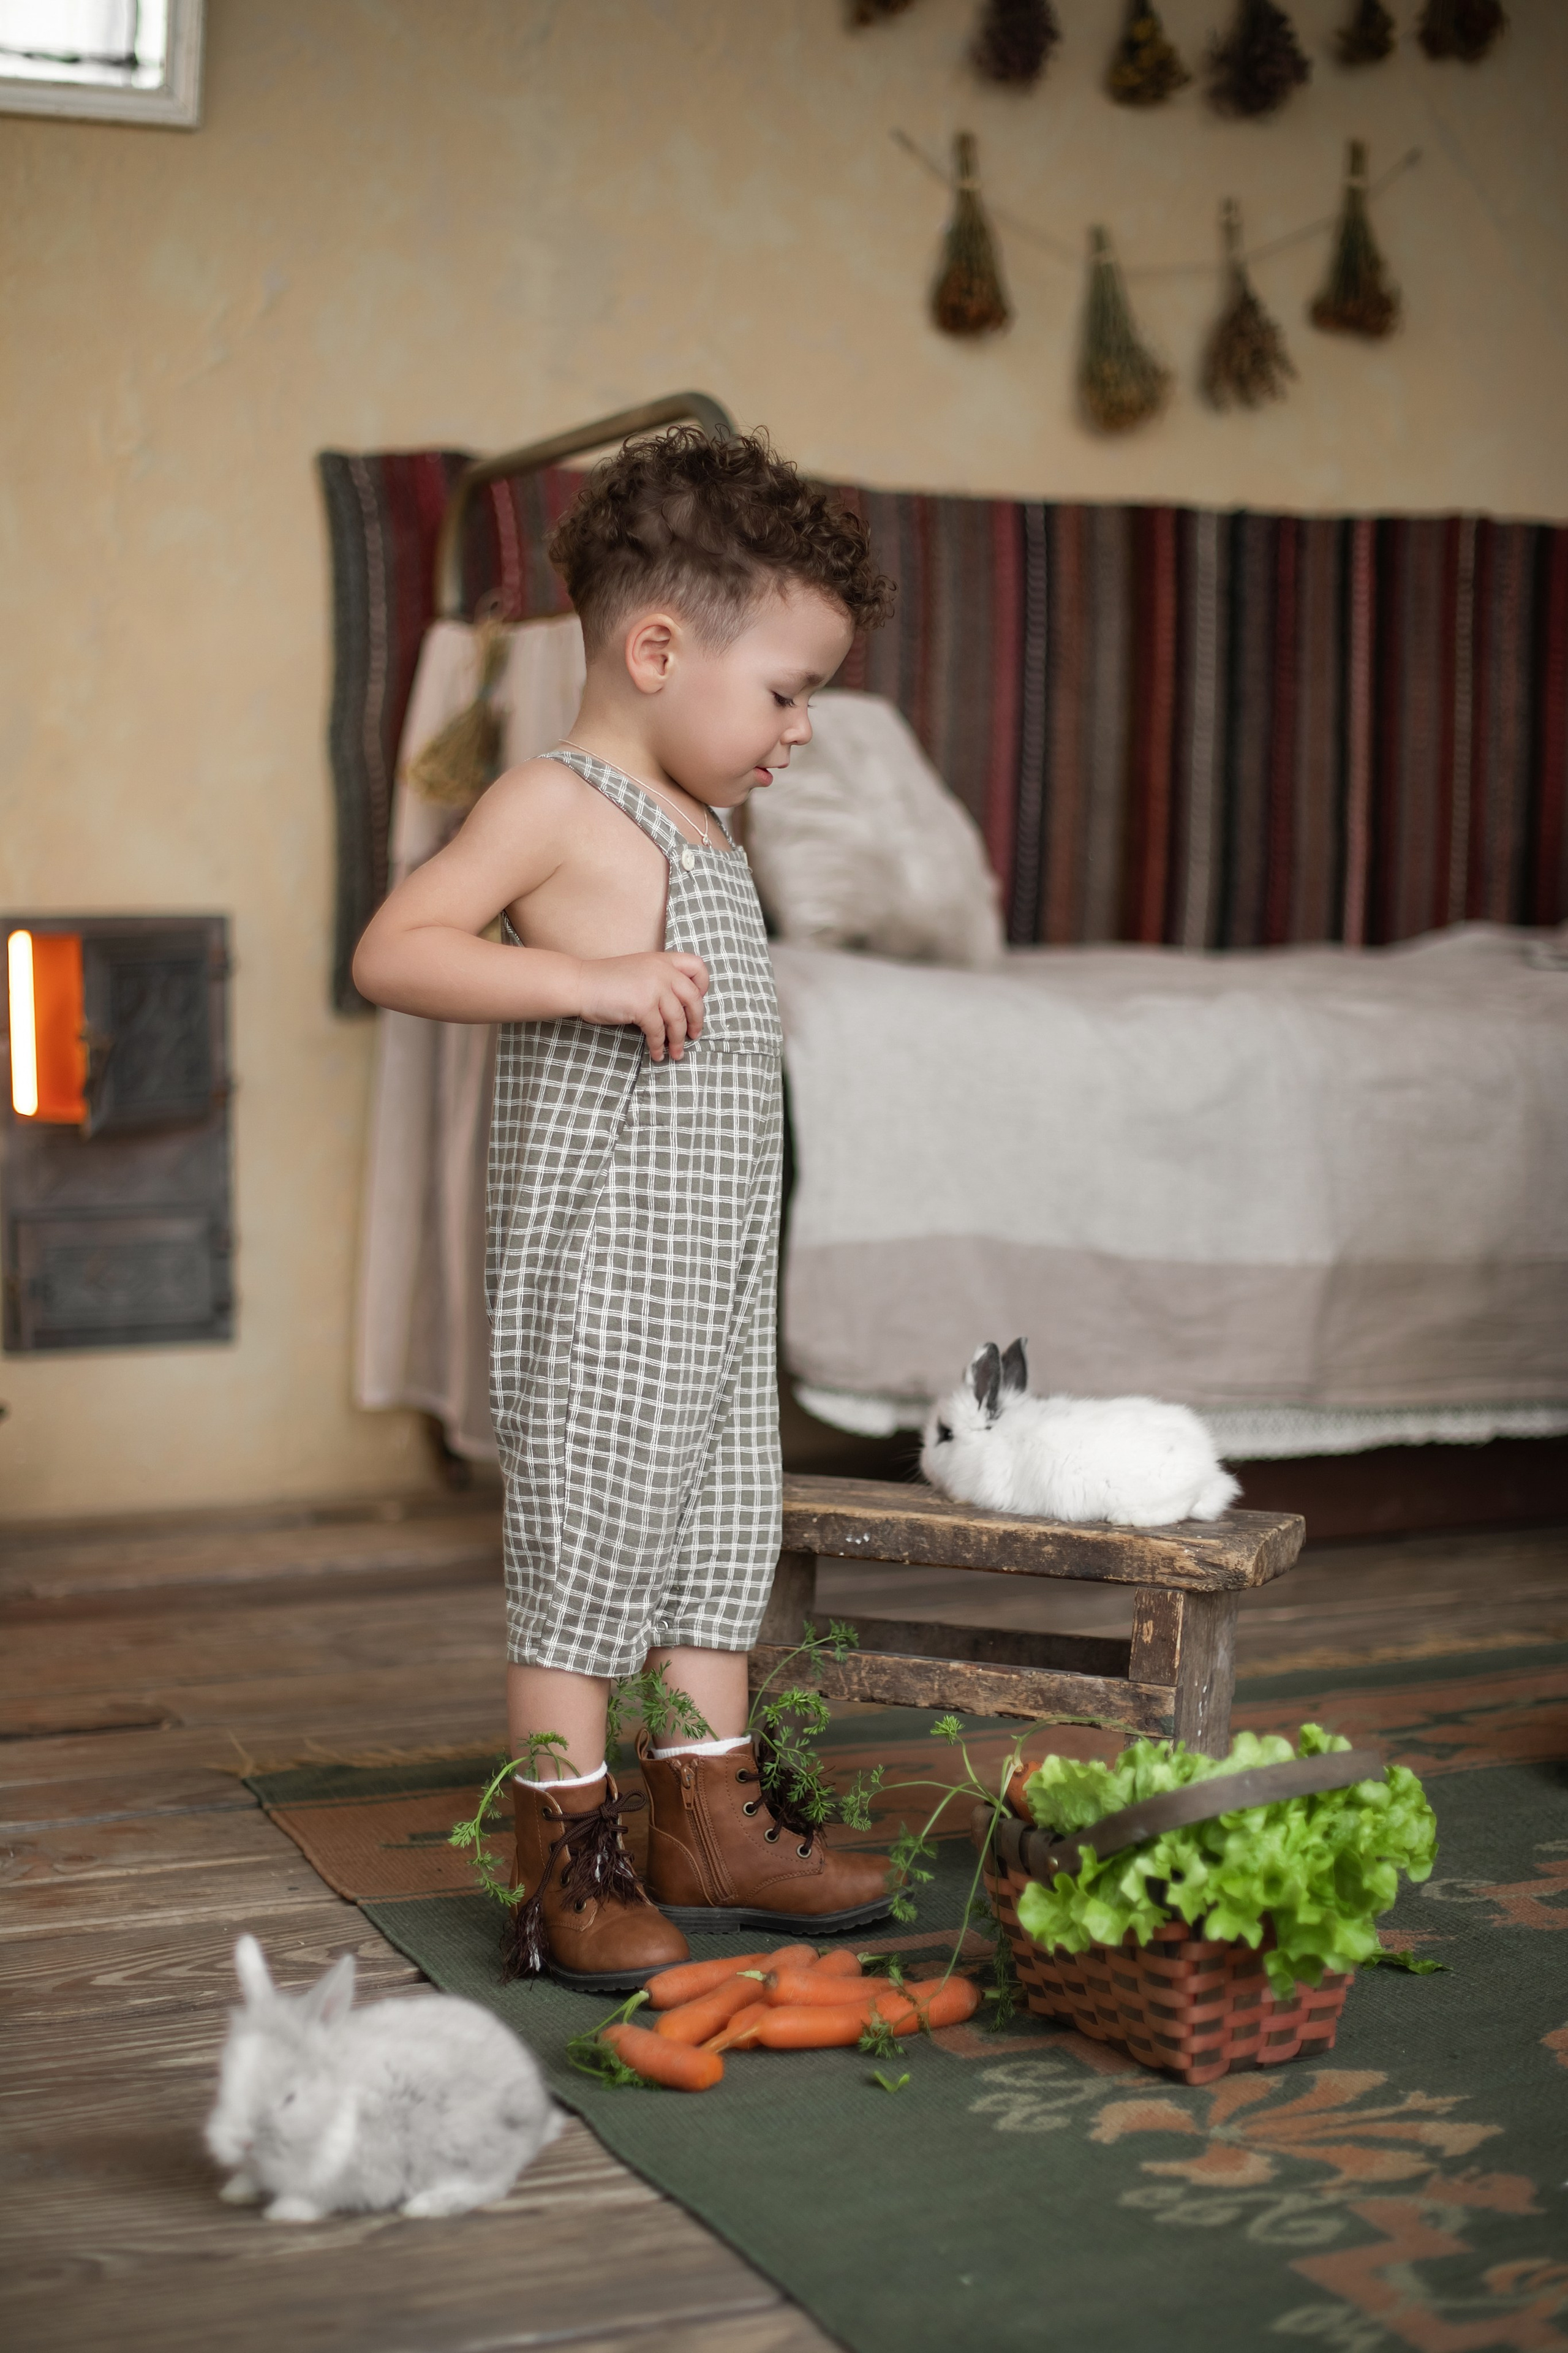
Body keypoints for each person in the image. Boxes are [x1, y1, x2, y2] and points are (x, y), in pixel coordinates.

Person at [353, 428, 897, 1988]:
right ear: (655, 651)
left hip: (710, 1269)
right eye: (785, 691)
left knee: (719, 1528)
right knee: (588, 1546)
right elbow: (396, 949)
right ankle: (567, 1859)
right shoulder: (557, 800)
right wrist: (583, 981)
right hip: (601, 1270)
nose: (800, 727)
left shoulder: (709, 820)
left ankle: (708, 1819)